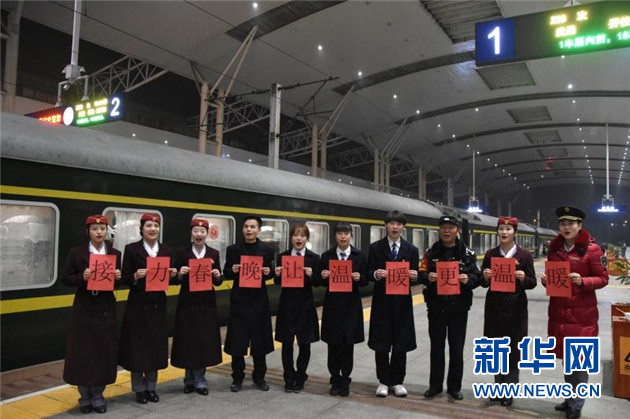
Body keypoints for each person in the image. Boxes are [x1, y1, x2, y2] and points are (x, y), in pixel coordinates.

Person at [541, 206, 608, 419]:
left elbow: (603, 278)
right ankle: (570, 399)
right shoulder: (555, 249)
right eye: (562, 223)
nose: (566, 227)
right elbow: (555, 280)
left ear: (580, 226)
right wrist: (547, 282)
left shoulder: (593, 250)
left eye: (571, 223)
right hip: (559, 313)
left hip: (582, 317)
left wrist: (584, 281)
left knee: (579, 363)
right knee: (567, 361)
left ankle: (577, 407)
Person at [61, 215, 122, 414]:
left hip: (105, 307)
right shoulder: (76, 253)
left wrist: (118, 278)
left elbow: (119, 283)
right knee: (83, 353)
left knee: (102, 352)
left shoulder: (114, 253)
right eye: (95, 228)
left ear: (107, 231)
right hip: (84, 308)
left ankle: (98, 396)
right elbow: (66, 279)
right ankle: (84, 397)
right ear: (88, 231)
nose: (99, 232)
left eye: (102, 229)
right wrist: (82, 277)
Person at [419, 215, 481, 400]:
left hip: (458, 309)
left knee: (456, 348)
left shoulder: (468, 254)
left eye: (450, 227)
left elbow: (477, 276)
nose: (446, 231)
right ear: (439, 230)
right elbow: (421, 272)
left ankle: (454, 387)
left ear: (457, 230)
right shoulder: (431, 252)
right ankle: (435, 386)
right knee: (436, 348)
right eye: (443, 227)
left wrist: (468, 279)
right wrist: (427, 277)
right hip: (436, 307)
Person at [118, 213, 177, 404]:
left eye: (156, 226)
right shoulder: (131, 249)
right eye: (149, 226)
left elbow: (172, 279)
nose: (153, 229)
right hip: (137, 306)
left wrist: (174, 274)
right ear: (141, 229)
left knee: (155, 347)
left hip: (158, 305)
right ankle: (138, 389)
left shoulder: (166, 250)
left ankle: (151, 388)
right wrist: (135, 275)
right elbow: (124, 278)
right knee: (137, 348)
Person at [480, 216, 536, 407]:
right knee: (496, 350)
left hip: (516, 309)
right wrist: (485, 277)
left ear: (515, 233)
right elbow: (481, 281)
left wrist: (523, 278)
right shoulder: (490, 254)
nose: (504, 232)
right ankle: (498, 389)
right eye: (501, 229)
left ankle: (509, 391)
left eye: (508, 229)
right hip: (495, 308)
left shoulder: (525, 255)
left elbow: (533, 283)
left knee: (513, 350)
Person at [367, 210, 419, 398]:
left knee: (400, 343)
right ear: (386, 225)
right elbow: (367, 272)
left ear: (403, 227)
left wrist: (415, 276)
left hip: (402, 304)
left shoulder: (411, 250)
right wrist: (376, 274)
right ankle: (383, 380)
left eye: (399, 224)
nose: (395, 227)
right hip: (382, 303)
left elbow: (416, 274)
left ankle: (397, 381)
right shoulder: (375, 248)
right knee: (382, 343)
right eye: (392, 223)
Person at [171, 218, 223, 395]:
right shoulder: (180, 252)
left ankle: (200, 380)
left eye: (202, 231)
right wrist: (179, 274)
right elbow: (172, 280)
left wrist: (217, 275)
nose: (199, 234)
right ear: (191, 233)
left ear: (207, 234)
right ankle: (188, 380)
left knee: (203, 341)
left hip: (206, 304)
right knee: (187, 341)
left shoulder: (214, 253)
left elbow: (219, 280)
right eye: (196, 231)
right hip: (187, 303)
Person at [223, 215, 275, 392]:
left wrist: (268, 272)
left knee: (259, 341)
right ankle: (237, 378)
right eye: (246, 226)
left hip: (259, 300)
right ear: (242, 229)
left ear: (259, 230)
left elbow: (270, 274)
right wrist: (233, 270)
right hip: (240, 300)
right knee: (238, 341)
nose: (249, 230)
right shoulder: (233, 249)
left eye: (253, 227)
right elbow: (226, 273)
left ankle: (259, 377)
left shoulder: (267, 250)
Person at [316, 222, 368, 397]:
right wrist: (323, 276)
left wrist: (360, 277)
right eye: (340, 233)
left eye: (346, 233)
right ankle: (335, 378)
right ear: (335, 236)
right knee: (333, 344)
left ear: (351, 236)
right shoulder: (327, 256)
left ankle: (345, 378)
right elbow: (319, 280)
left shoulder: (359, 256)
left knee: (348, 345)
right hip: (333, 306)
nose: (343, 237)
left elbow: (366, 280)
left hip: (351, 306)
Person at [274, 223, 320, 392]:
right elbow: (277, 282)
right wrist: (277, 274)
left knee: (305, 344)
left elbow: (318, 283)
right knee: (286, 344)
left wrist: (312, 275)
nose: (298, 238)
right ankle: (288, 377)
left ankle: (300, 376)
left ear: (307, 238)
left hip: (305, 307)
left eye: (302, 235)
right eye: (295, 235)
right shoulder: (283, 256)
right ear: (291, 237)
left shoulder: (314, 258)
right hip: (286, 306)